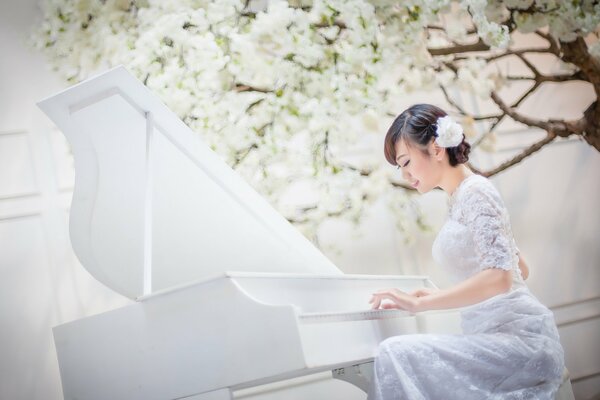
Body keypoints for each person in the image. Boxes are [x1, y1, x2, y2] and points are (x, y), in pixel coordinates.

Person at [367, 104, 565, 400]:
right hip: (495, 336)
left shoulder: (475, 192)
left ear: (435, 149)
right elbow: (519, 268)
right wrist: (431, 296)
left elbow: (501, 278)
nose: (405, 174)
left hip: (519, 342)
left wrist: (422, 304)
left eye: (406, 161)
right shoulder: (461, 197)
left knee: (395, 351)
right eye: (400, 167)